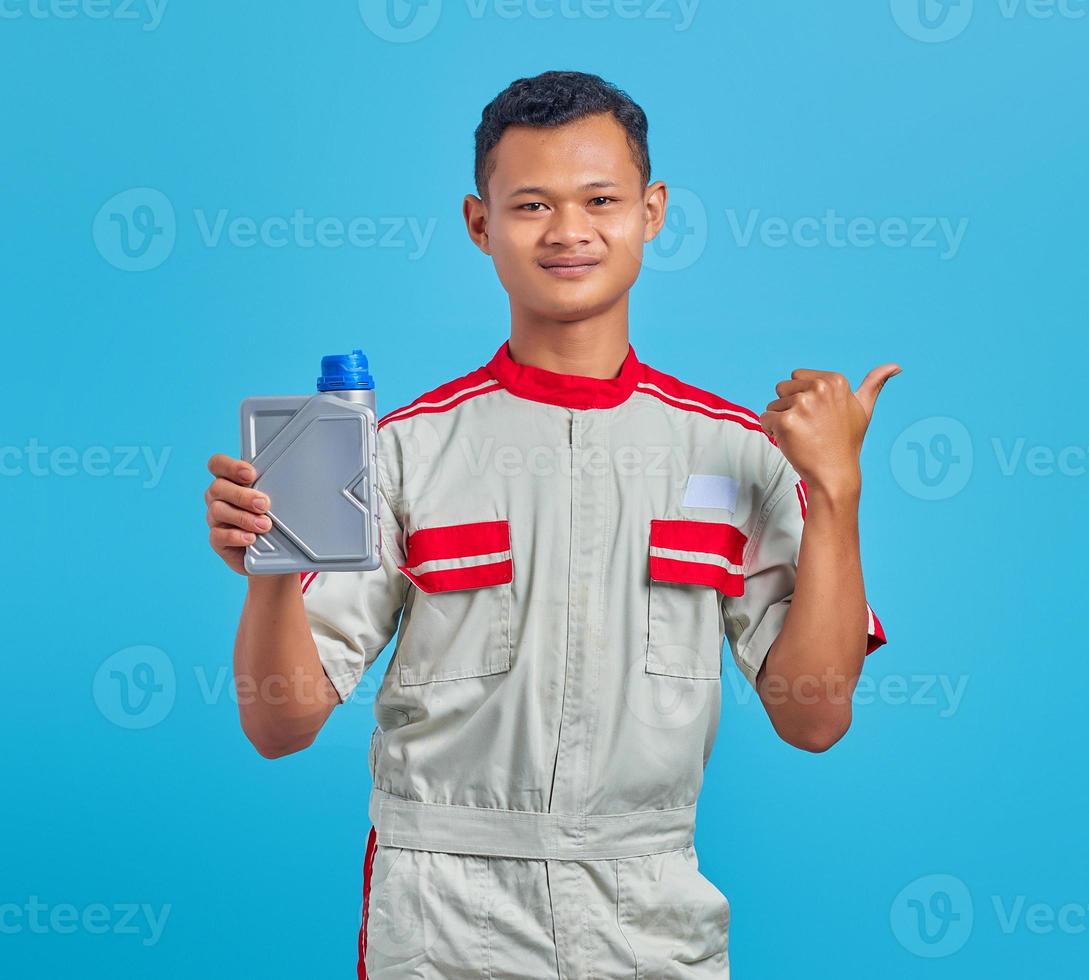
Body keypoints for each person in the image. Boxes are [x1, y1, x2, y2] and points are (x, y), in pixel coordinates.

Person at [203, 70, 897, 979]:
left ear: (651, 212)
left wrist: (837, 493)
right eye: (531, 204)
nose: (569, 231)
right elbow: (278, 723)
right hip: (444, 911)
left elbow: (814, 718)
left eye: (600, 199)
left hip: (649, 907)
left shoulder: (734, 450)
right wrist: (269, 565)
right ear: (479, 223)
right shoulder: (406, 452)